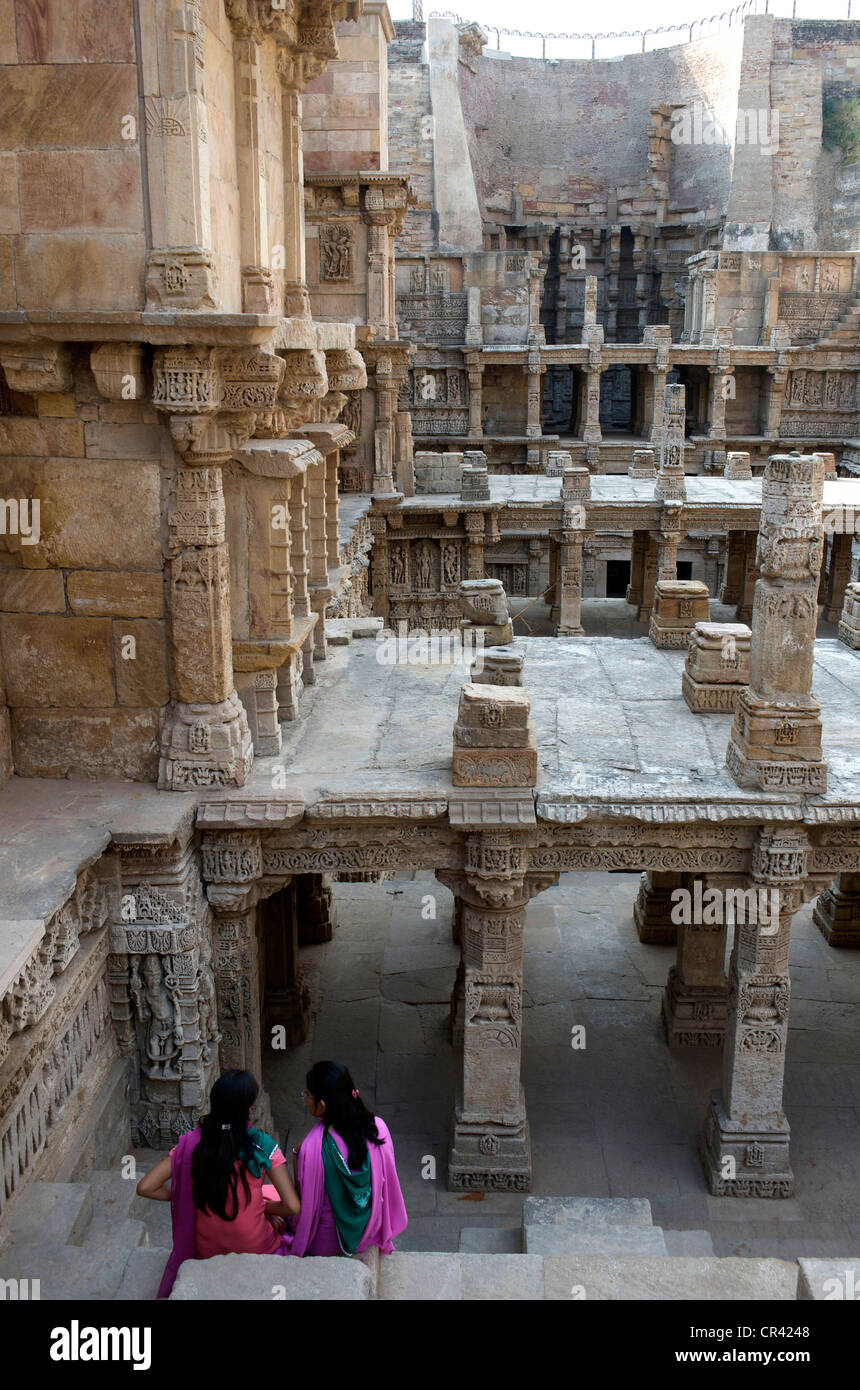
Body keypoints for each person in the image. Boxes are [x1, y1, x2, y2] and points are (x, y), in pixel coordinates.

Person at [137, 1069, 300, 1299]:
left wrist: (186, 1194)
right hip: (254, 1245)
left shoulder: (192, 1143)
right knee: (268, 1193)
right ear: (248, 1109)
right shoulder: (261, 1145)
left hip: (206, 1249)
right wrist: (264, 1209)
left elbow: (145, 1187)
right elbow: (292, 1206)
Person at [283, 1060, 407, 1257]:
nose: (305, 1098)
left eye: (307, 1094)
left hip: (325, 1244)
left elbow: (303, 1212)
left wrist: (296, 1155)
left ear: (322, 1105)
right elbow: (388, 1185)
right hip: (368, 1233)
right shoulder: (378, 1129)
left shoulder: (312, 1149)